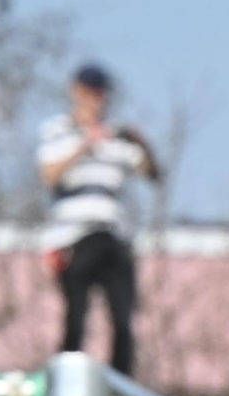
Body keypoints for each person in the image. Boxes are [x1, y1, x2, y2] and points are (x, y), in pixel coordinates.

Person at [35, 64, 160, 373]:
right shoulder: (58, 130)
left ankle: (122, 386)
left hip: (111, 236)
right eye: (91, 92)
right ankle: (65, 378)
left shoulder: (117, 138)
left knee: (123, 317)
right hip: (73, 239)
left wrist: (140, 142)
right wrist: (85, 145)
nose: (97, 99)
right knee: (76, 316)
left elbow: (151, 173)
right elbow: (50, 175)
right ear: (76, 92)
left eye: (102, 92)